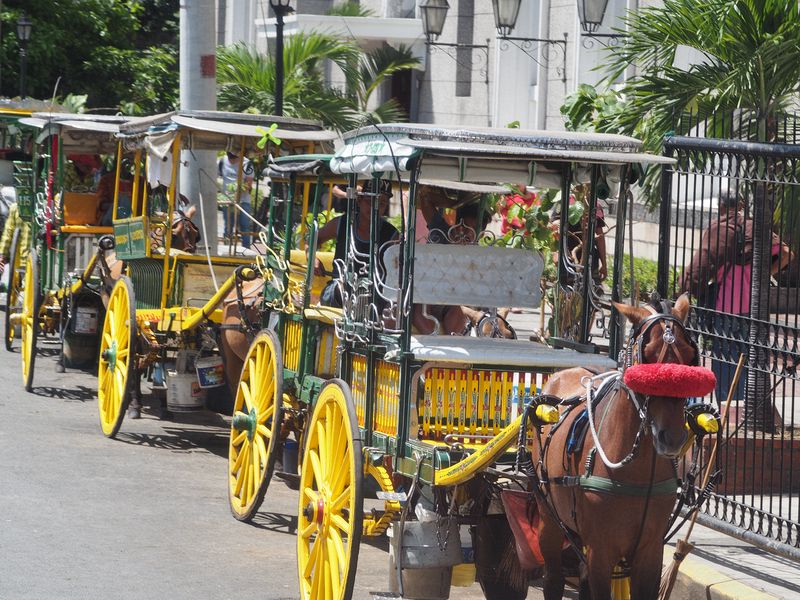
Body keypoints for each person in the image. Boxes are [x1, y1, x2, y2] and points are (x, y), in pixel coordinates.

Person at [680, 190, 793, 403]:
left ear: (721, 206)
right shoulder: (756, 229)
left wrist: (688, 287)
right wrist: (767, 272)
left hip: (725, 304)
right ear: (740, 206)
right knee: (747, 357)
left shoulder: (720, 230)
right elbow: (787, 253)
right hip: (752, 307)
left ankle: (727, 406)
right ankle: (743, 403)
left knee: (723, 358)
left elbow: (702, 267)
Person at [314, 180, 399, 309]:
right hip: (338, 290)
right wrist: (312, 258)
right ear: (359, 201)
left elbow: (398, 266)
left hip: (374, 294)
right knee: (346, 290)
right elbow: (313, 239)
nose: (374, 208)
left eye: (381, 204)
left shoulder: (392, 234)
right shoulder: (341, 223)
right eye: (369, 201)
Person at [218, 151, 255, 248]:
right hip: (227, 201)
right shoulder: (222, 161)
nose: (232, 161)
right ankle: (227, 248)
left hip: (243, 201)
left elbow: (248, 184)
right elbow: (216, 177)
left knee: (244, 227)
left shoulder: (247, 164)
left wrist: (236, 193)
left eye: (235, 159)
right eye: (230, 159)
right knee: (228, 227)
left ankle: (246, 250)